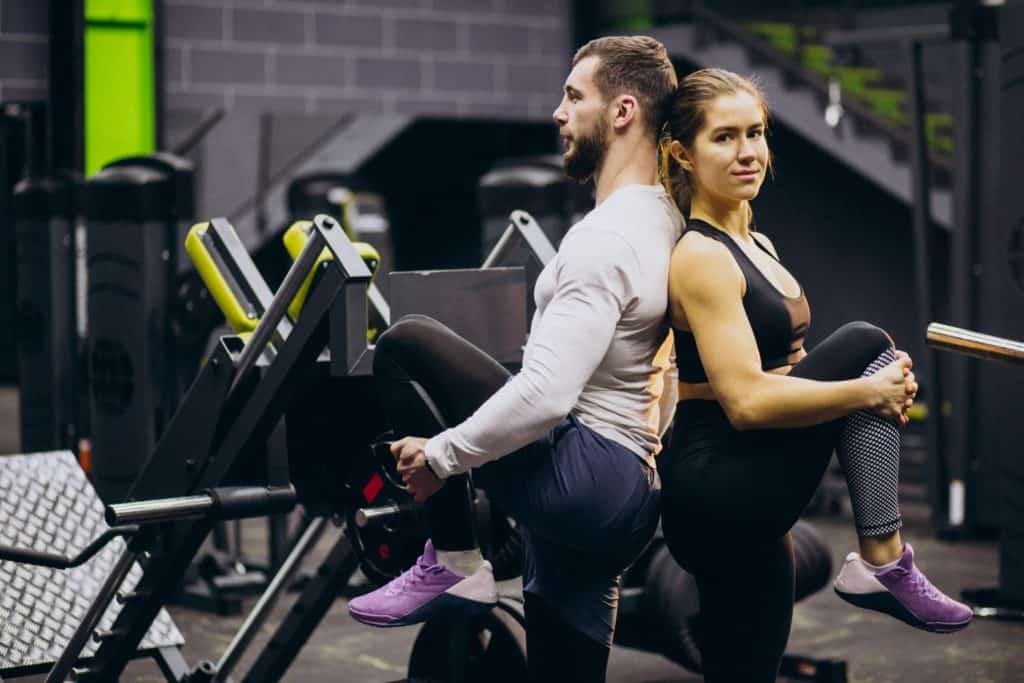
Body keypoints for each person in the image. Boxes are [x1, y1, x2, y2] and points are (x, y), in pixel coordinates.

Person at [347, 36, 681, 682]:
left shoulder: (605, 240)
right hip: (630, 490)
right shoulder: (667, 222)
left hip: (584, 474)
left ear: (622, 112)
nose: (558, 113)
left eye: (573, 96)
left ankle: (455, 555)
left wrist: (442, 456)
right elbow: (661, 385)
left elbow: (547, 394)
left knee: (404, 344)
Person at [656, 67, 973, 682]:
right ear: (681, 153)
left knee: (745, 666)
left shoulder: (759, 244)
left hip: (749, 480)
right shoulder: (699, 255)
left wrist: (870, 394)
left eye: (756, 133)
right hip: (715, 479)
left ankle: (882, 564)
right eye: (724, 138)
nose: (748, 152)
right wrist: (864, 390)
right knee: (864, 343)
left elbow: (793, 372)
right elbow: (746, 400)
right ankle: (883, 560)